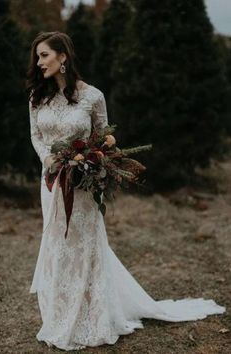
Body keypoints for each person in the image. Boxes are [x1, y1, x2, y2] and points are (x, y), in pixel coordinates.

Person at [26, 31, 226, 351]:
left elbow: (105, 136)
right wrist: (48, 158)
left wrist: (93, 160)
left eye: (45, 55)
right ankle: (59, 315)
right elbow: (37, 135)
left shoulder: (92, 96)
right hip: (51, 181)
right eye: (37, 56)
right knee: (56, 245)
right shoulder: (38, 97)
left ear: (63, 58)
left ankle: (90, 317)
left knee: (85, 246)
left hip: (82, 183)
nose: (39, 62)